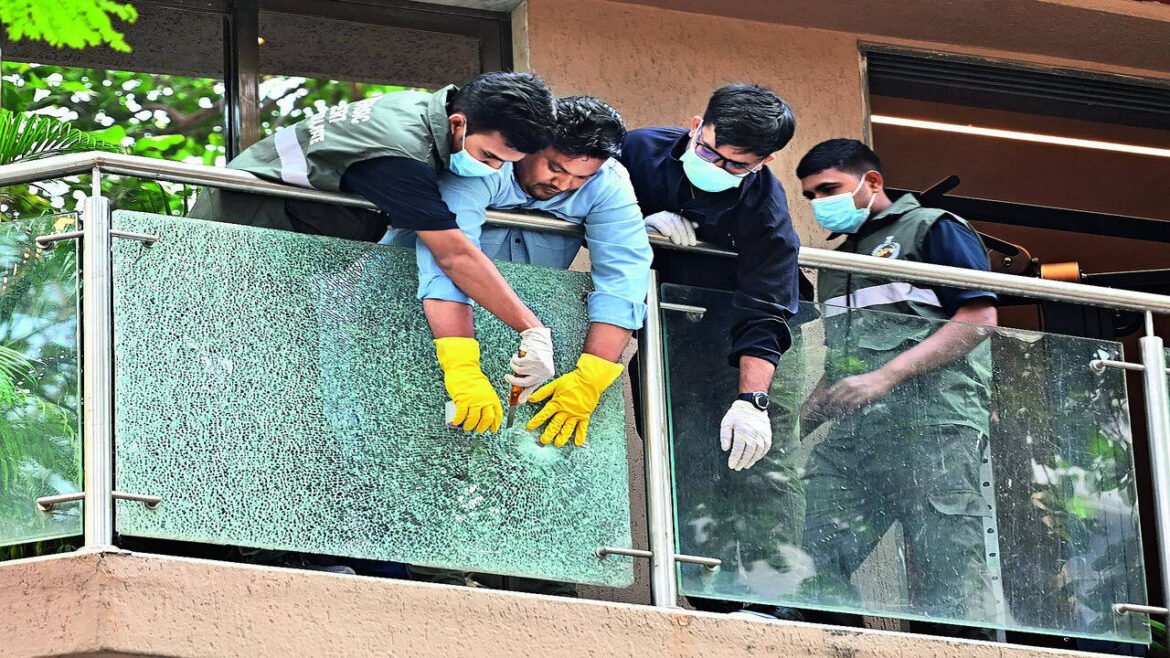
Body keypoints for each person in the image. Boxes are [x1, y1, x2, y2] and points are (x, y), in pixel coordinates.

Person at [381, 94, 651, 595]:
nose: (564, 184)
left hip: (521, 337)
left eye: (581, 177)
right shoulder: (480, 164)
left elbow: (624, 280)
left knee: (522, 455)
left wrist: (591, 378)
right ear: (530, 144)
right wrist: (462, 371)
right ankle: (417, 572)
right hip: (418, 321)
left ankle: (534, 580)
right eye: (556, 167)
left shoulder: (609, 182)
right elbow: (449, 266)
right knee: (413, 440)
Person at [189, 72, 561, 423]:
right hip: (244, 238)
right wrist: (532, 330)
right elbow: (454, 256)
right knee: (227, 371)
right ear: (458, 124)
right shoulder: (399, 154)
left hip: (281, 240)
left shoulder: (425, 110)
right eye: (488, 156)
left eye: (504, 164)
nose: (493, 169)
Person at [795, 138, 999, 638]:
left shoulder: (932, 227)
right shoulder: (837, 264)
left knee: (947, 563)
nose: (820, 203)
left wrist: (885, 377)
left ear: (871, 181)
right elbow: (846, 363)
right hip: (857, 435)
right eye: (811, 196)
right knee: (812, 553)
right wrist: (792, 427)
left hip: (934, 426)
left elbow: (978, 318)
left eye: (829, 189)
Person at [617, 83, 807, 616]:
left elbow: (766, 310)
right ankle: (709, 605)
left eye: (736, 165)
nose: (718, 167)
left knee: (764, 471)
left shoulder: (765, 206)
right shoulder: (638, 152)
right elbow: (572, 200)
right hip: (670, 332)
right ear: (696, 124)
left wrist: (753, 401)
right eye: (710, 152)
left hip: (748, 343)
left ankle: (773, 604)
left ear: (764, 162)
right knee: (687, 463)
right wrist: (633, 225)